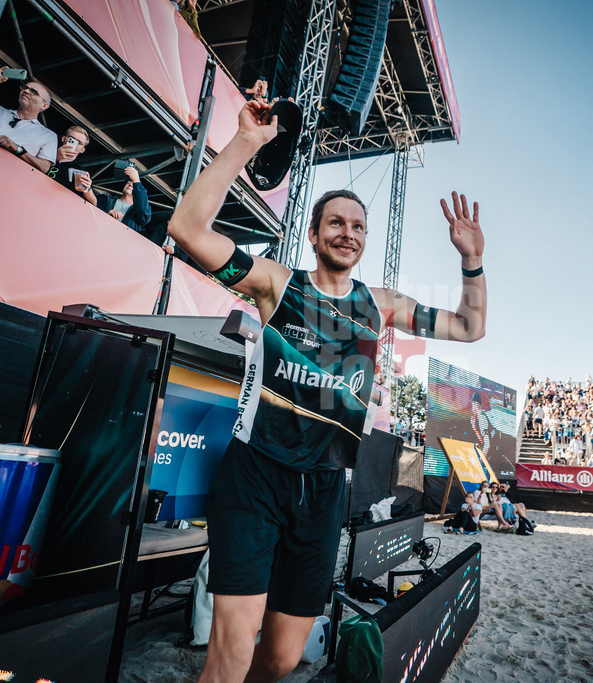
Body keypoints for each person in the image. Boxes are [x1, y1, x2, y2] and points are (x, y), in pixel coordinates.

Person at [166, 98, 487, 683]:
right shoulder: (277, 284)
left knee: (282, 659)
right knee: (231, 653)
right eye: (336, 223)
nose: (349, 233)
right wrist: (245, 144)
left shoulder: (380, 305)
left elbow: (470, 327)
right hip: (255, 477)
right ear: (314, 234)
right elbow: (186, 230)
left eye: (358, 226)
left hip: (323, 490)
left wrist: (472, 262)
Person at [47, 125, 95, 203]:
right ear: (63, 139)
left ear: (82, 150)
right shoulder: (45, 153)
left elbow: (94, 203)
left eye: (79, 143)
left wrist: (88, 189)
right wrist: (55, 158)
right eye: (71, 139)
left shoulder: (79, 172)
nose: (74, 144)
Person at [97, 164, 152, 233]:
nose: (130, 184)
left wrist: (137, 182)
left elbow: (144, 213)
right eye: (128, 183)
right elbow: (93, 205)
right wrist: (107, 216)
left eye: (133, 185)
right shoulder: (107, 200)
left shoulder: (137, 213)